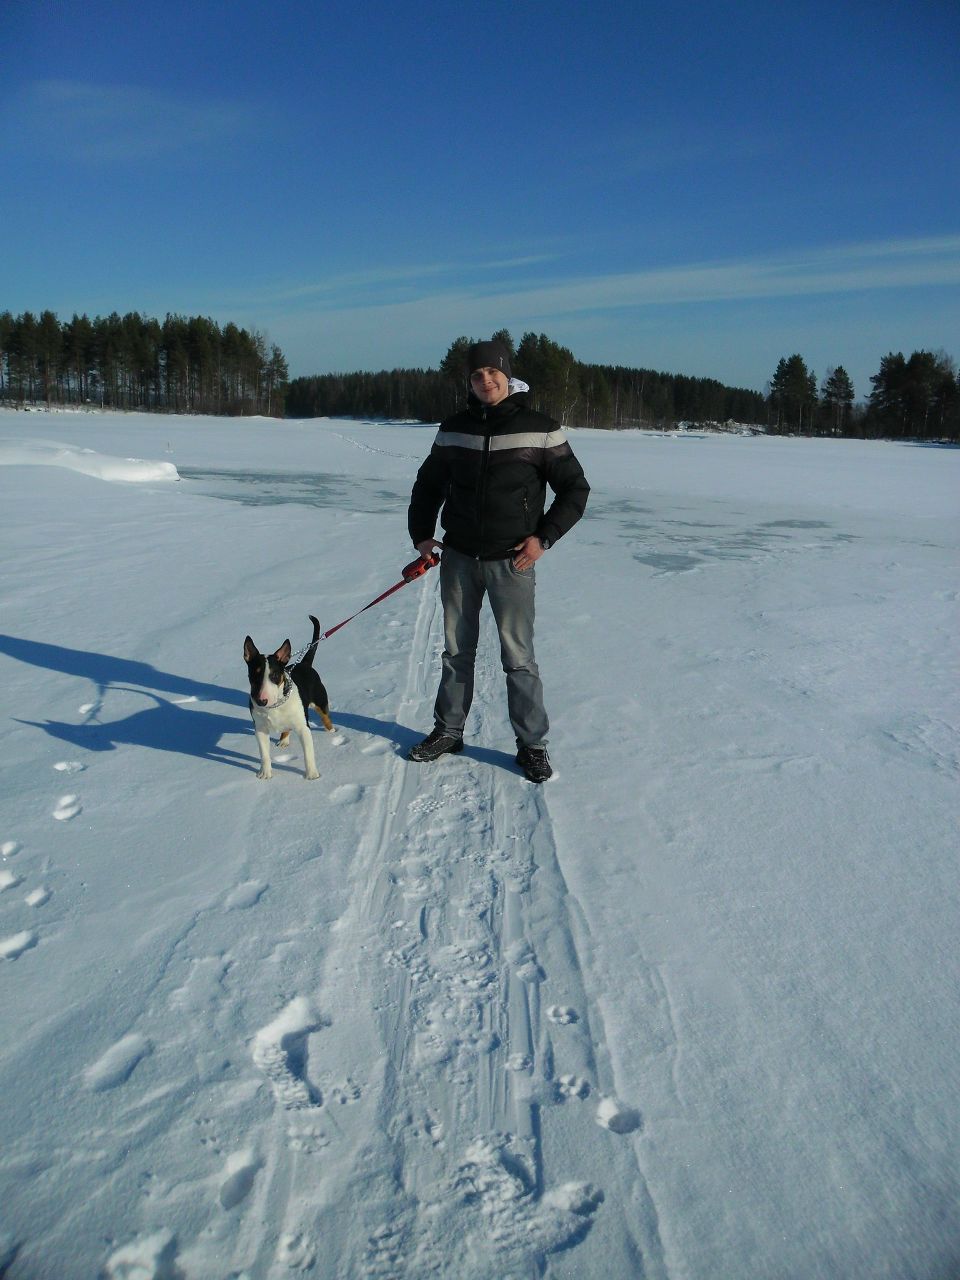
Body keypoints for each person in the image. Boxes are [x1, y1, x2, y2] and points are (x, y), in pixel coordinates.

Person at [406, 338, 590, 782]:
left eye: (493, 372)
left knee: (518, 657)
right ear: (469, 381)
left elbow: (575, 491)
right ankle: (448, 730)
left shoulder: (540, 428)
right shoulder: (453, 428)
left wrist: (542, 539)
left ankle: (532, 745)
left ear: (508, 376)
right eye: (476, 374)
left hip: (513, 562)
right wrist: (422, 535)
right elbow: (428, 485)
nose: (485, 380)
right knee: (455, 651)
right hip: (459, 558)